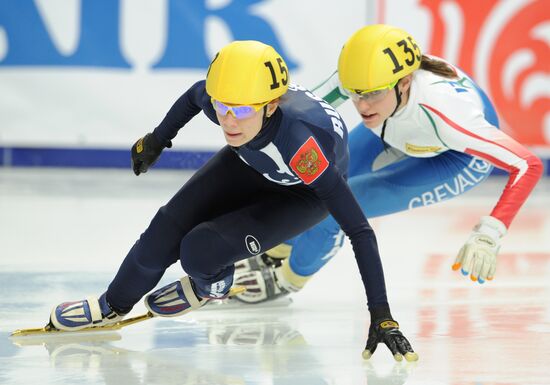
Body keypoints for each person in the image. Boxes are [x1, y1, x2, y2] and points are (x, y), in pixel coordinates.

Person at [48, 40, 417, 361]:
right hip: (250, 160)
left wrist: (381, 315)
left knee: (198, 251)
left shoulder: (302, 146)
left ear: (271, 105)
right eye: (223, 107)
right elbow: (194, 97)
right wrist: (157, 140)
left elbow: (359, 230)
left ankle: (215, 284)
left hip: (301, 193)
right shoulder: (226, 104)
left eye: (241, 110)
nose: (228, 120)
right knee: (162, 233)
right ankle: (111, 306)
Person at [232, 25, 544, 308]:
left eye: (372, 95)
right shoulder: (362, 77)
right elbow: (296, 112)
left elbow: (527, 165)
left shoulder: (449, 115)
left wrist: (491, 231)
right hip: (396, 127)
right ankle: (276, 253)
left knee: (336, 209)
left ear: (405, 82)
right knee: (308, 179)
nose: (362, 106)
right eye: (354, 95)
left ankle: (286, 281)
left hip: (454, 157)